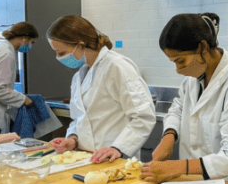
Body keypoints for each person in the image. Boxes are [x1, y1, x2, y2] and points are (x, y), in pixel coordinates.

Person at [140, 12, 228, 184]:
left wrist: (177, 167)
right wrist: (169, 136)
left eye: (181, 61)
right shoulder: (194, 78)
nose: (178, 69)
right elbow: (178, 107)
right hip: (196, 183)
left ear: (202, 47)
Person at [47, 16, 155, 164]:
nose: (58, 58)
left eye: (61, 52)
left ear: (80, 45)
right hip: (85, 157)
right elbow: (79, 119)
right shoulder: (79, 76)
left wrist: (118, 148)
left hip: (116, 158)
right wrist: (72, 139)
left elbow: (143, 117)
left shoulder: (117, 67)